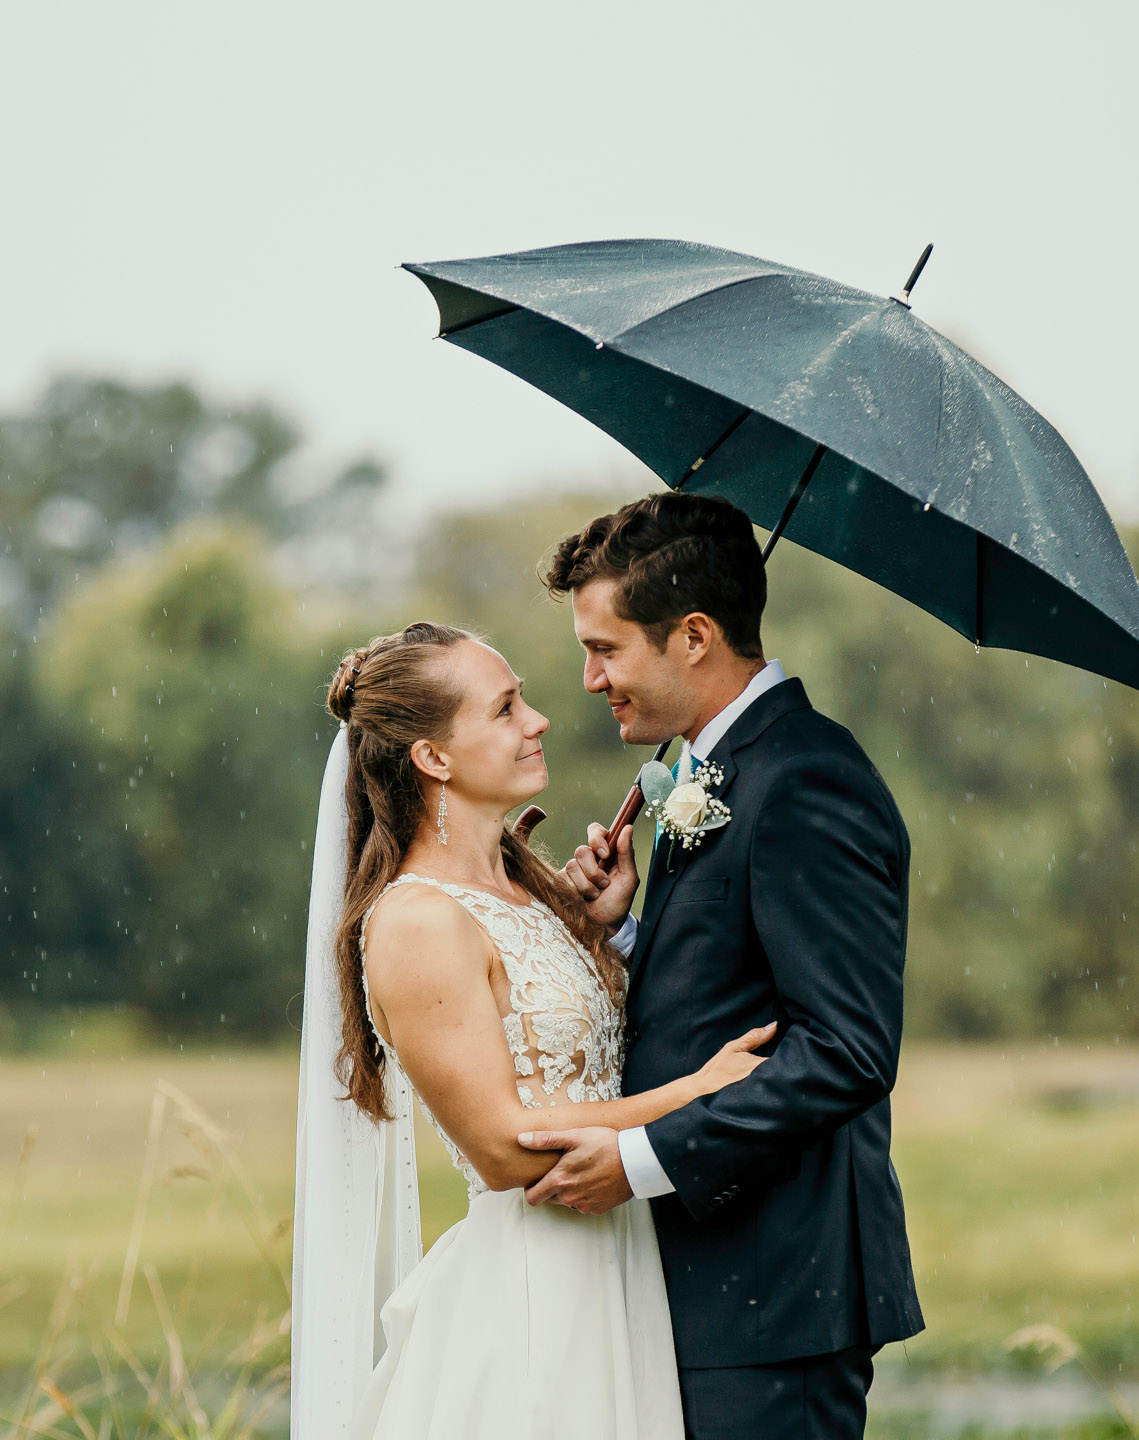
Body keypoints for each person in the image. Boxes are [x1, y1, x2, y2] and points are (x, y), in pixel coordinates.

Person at [291, 619, 774, 1439]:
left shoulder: (532, 892)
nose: (538, 719)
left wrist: (606, 932)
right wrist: (691, 1095)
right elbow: (506, 1147)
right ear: (433, 758)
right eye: (506, 708)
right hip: (534, 1299)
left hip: (620, 1268)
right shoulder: (416, 921)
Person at [523, 491, 924, 1439]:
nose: (588, 679)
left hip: (775, 1293)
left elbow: (847, 1051)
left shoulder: (805, 778)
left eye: (606, 649)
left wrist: (640, 1158)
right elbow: (731, 985)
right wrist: (625, 936)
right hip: (718, 1284)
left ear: (694, 634)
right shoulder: (718, 768)